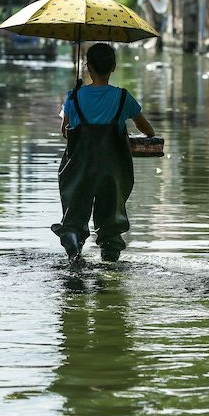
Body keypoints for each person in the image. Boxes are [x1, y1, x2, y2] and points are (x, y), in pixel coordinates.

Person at [52, 42, 155, 265]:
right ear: (114, 67)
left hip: (79, 169)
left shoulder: (74, 97)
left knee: (75, 214)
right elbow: (147, 130)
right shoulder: (122, 98)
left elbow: (65, 132)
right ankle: (109, 259)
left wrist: (74, 100)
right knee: (110, 221)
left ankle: (73, 250)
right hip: (112, 170)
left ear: (87, 67)